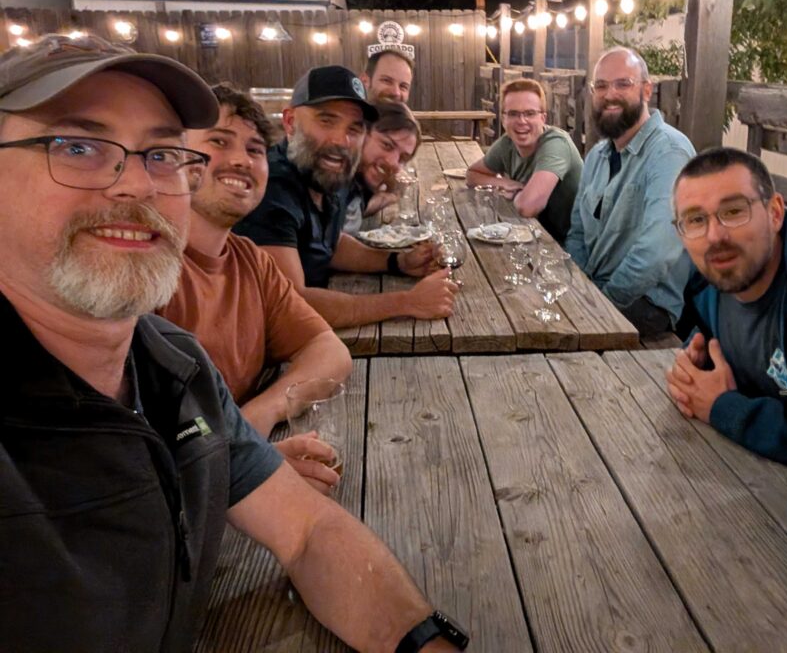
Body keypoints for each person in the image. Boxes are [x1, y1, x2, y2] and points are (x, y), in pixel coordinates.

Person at [0, 35, 467, 651]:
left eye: (162, 153)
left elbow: (307, 532)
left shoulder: (175, 365)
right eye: (77, 146)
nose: (136, 185)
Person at [160, 84, 352, 494]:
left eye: (254, 149)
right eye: (218, 141)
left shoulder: (248, 259)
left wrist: (259, 417)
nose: (240, 161)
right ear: (174, 156)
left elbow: (329, 352)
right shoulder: (147, 270)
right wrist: (242, 463)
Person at [667, 148, 787, 466]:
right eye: (695, 219)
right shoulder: (706, 280)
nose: (714, 236)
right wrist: (697, 366)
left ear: (774, 213)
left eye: (733, 211)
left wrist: (724, 408)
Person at [234, 65, 457, 328]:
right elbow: (289, 304)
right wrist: (407, 302)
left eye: (354, 129)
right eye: (326, 121)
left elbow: (330, 244)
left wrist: (397, 262)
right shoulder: (271, 189)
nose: (342, 141)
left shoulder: (325, 173)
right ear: (290, 122)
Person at [565, 46, 695, 335]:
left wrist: (601, 303)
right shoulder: (597, 155)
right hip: (596, 291)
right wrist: (578, 287)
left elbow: (656, 253)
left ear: (647, 91)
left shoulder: (669, 151)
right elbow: (576, 234)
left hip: (645, 304)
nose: (610, 94)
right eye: (601, 86)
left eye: (623, 84)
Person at [466, 78, 582, 243]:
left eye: (529, 113)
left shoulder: (556, 143)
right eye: (513, 113)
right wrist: (505, 183)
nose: (521, 121)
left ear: (543, 118)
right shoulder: (507, 143)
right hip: (533, 235)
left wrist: (516, 194)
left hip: (570, 246)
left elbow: (528, 206)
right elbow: (472, 174)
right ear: (504, 119)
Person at [342, 101, 422, 232]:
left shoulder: (356, 184)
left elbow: (354, 210)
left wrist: (391, 195)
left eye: (402, 158)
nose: (393, 163)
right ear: (361, 131)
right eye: (387, 145)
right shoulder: (330, 179)